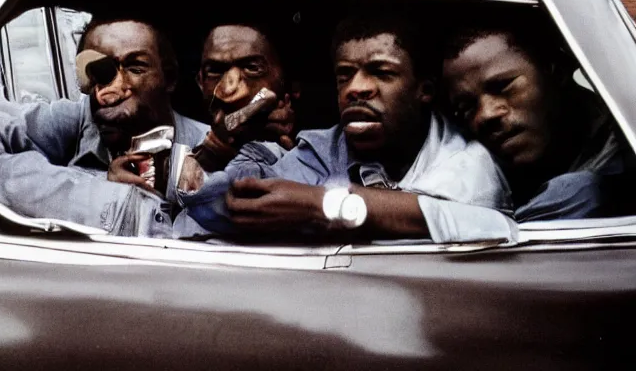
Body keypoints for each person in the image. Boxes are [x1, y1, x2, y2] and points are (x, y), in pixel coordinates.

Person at [171, 12, 513, 243]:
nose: (356, 88)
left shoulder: (468, 163)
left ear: (424, 90)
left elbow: (468, 223)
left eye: (382, 72)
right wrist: (218, 147)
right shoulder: (322, 151)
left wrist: (322, 205)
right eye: (345, 75)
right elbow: (221, 207)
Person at [0, 16, 209, 237]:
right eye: (99, 71)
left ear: (170, 78)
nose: (114, 88)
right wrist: (103, 186)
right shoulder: (77, 118)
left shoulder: (210, 151)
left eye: (135, 67)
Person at [443, 24, 633, 221]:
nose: (485, 115)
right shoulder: (482, 173)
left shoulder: (617, 170)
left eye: (502, 86)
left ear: (556, 70)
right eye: (466, 107)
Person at [190, 22, 299, 172]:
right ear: (200, 82)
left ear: (292, 85)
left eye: (252, 68)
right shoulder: (175, 147)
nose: (229, 91)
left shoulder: (319, 153)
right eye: (215, 70)